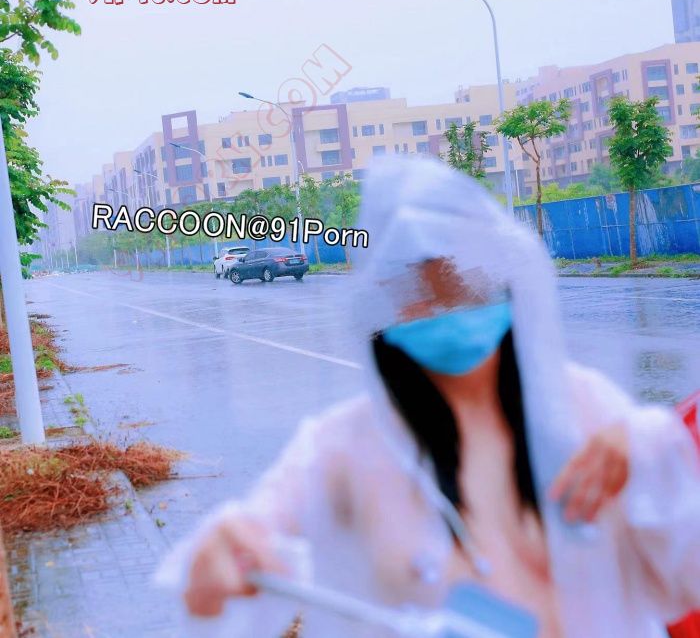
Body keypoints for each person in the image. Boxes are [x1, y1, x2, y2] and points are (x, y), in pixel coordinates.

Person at [159, 156, 700, 637]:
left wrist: (654, 460)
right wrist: (219, 556)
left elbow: (686, 573)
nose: (442, 305)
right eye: (416, 290)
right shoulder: (342, 446)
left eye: (457, 281)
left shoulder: (588, 409)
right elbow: (243, 549)